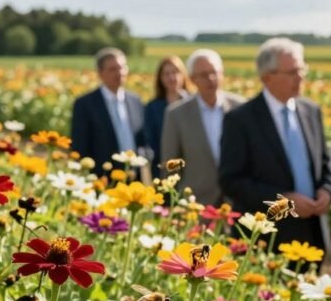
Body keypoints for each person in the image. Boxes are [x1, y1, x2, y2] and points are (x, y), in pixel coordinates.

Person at [219, 38, 331, 252]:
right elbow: (231, 181)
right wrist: (283, 202)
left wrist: (327, 191)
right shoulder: (241, 119)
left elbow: (325, 165)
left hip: (313, 232)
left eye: (302, 70)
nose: (300, 77)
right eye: (292, 72)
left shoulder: (311, 111)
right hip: (268, 240)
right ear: (267, 77)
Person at [160, 50, 245, 204]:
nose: (211, 79)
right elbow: (170, 164)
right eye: (204, 75)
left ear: (222, 74)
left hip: (237, 202)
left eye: (214, 72)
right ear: (192, 79)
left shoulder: (241, 108)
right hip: (197, 204)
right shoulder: (176, 114)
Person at [71, 47, 144, 175]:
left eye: (121, 68)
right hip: (103, 177)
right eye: (112, 69)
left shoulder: (135, 101)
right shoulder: (85, 104)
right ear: (100, 73)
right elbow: (80, 146)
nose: (119, 73)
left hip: (133, 175)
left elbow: (142, 138)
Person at [143, 56, 191, 166]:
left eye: (175, 72)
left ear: (183, 75)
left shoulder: (194, 103)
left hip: (192, 166)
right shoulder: (152, 107)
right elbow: (150, 141)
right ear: (160, 78)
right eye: (166, 74)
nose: (172, 77)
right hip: (163, 165)